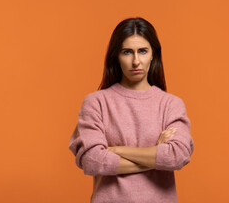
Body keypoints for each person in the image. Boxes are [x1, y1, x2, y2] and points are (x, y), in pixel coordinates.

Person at [68, 17, 194, 203]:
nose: (136, 61)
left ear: (153, 55)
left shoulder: (171, 104)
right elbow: (93, 161)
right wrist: (155, 154)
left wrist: (118, 150)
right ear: (116, 57)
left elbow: (177, 156)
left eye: (142, 51)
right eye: (127, 52)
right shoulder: (96, 102)